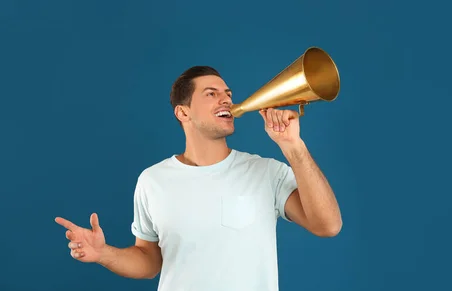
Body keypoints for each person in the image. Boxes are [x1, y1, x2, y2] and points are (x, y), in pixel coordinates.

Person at [55, 65, 342, 291]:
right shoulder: (152, 180)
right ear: (183, 112)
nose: (226, 98)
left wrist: (294, 147)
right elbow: (149, 261)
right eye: (211, 93)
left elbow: (328, 225)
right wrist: (103, 253)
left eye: (227, 93)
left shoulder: (266, 172)